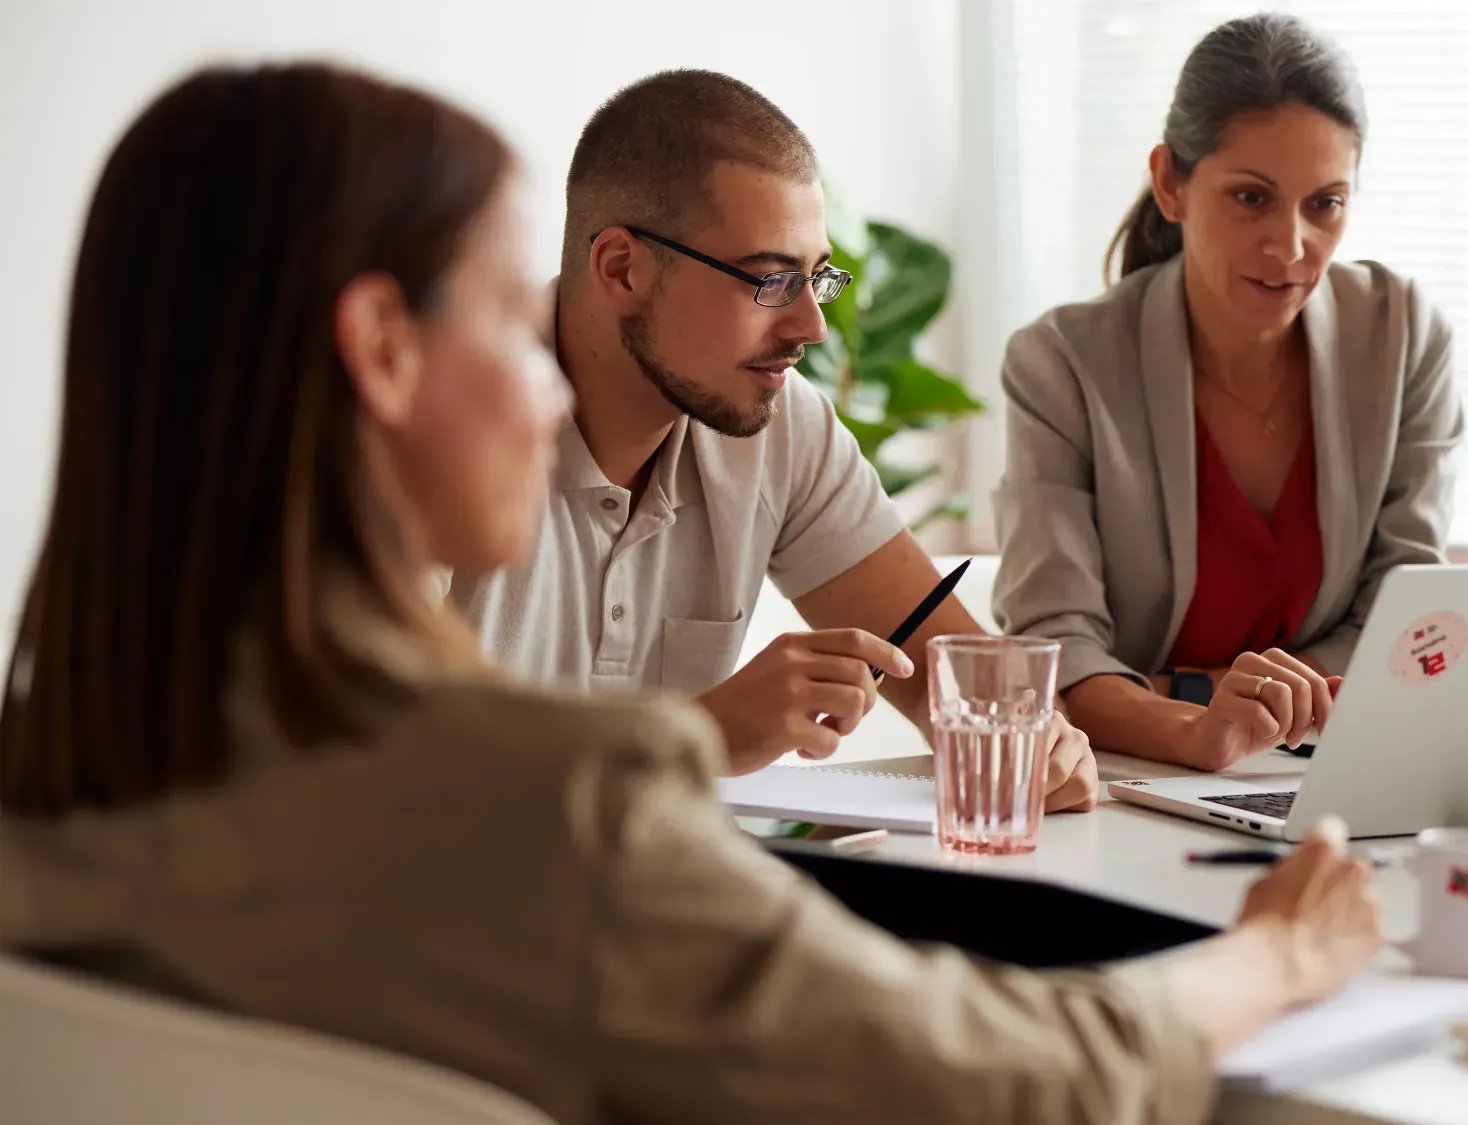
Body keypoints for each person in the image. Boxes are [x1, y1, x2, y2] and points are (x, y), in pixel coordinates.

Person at [0, 63, 1384, 1125]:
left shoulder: (65, 760)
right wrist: (1270, 961)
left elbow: (954, 664)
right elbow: (1013, 1083)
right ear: (383, 350)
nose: (545, 373)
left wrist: (1145, 725)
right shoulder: (556, 811)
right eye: (502, 311)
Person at [447, 70, 1097, 806]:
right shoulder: (425, 432)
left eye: (817, 279)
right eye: (768, 282)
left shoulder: (780, 422)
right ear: (622, 268)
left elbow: (962, 679)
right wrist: (699, 735)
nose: (811, 329)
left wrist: (1040, 736)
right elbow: (355, 788)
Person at [993, 13, 1464, 771]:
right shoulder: (1061, 364)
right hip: (1131, 775)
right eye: (1252, 198)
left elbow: (1403, 619)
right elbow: (1053, 654)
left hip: (1333, 766)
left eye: (1325, 204)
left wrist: (1173, 688)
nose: (1290, 248)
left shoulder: (1402, 335)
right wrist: (1197, 713)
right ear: (1170, 184)